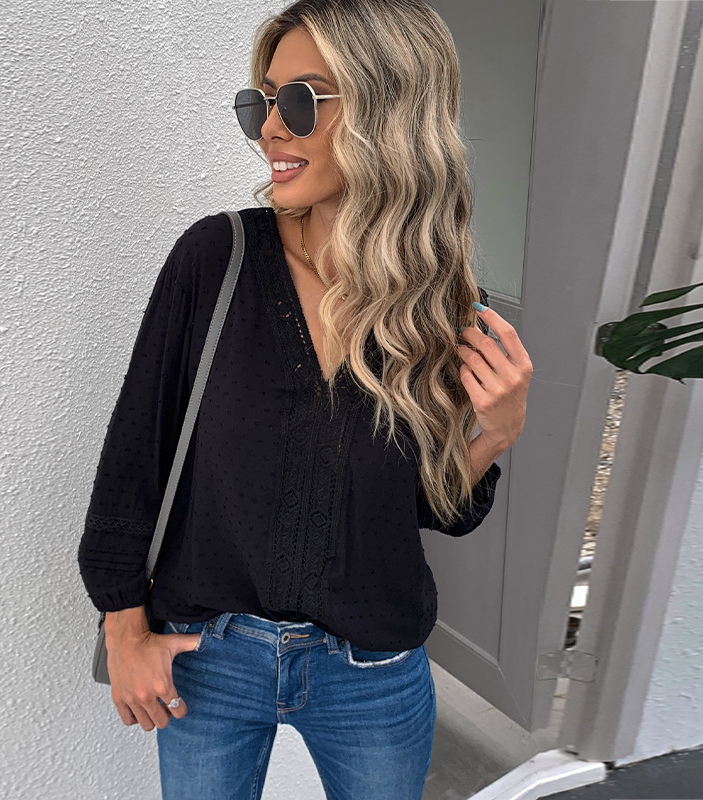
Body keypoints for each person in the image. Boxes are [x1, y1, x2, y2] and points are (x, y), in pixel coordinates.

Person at [78, 0, 533, 797]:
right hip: (207, 657)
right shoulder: (217, 260)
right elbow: (134, 455)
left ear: (392, 109)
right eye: (260, 102)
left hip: (374, 674)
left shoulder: (441, 306)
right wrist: (124, 629)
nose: (269, 130)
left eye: (300, 100)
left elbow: (425, 511)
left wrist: (494, 433)